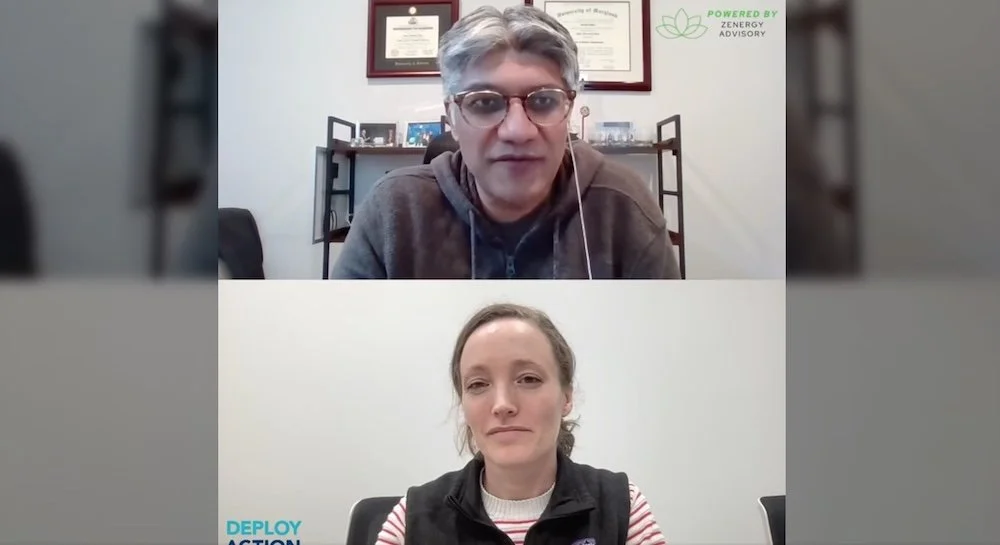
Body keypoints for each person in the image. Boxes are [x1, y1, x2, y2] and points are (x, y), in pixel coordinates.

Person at [332, 6, 679, 279]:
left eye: (543, 101)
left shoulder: (625, 207)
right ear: (451, 117)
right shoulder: (392, 211)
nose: (518, 131)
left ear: (569, 110)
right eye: (485, 102)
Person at [375, 303, 669, 545]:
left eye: (528, 379)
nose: (502, 404)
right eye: (478, 384)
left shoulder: (622, 505)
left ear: (566, 396)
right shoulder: (412, 517)